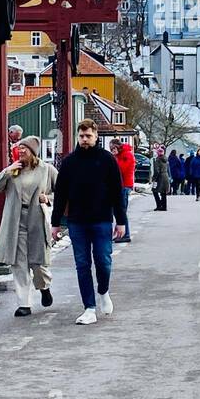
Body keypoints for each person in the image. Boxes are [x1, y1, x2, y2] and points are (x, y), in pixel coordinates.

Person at [51, 119, 127, 325]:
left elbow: (116, 192)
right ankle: (89, 308)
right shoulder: (69, 162)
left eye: (88, 136)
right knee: (82, 264)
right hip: (77, 221)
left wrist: (121, 221)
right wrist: (55, 222)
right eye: (81, 136)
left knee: (103, 261)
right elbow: (60, 194)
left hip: (101, 219)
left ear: (96, 137)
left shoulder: (107, 160)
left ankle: (103, 290)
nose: (85, 140)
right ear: (78, 136)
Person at [0, 136, 56, 317]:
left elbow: (63, 191)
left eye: (25, 148)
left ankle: (44, 287)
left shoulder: (46, 170)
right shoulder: (14, 170)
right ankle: (24, 304)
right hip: (15, 221)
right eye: (19, 148)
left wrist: (48, 199)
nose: (21, 151)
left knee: (37, 263)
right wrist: (7, 171)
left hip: (36, 219)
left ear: (33, 151)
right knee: (19, 264)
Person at [110, 139, 135, 243]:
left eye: (113, 148)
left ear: (118, 147)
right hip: (121, 185)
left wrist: (115, 158)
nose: (112, 150)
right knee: (118, 210)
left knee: (121, 210)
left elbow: (120, 169)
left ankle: (126, 234)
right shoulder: (121, 155)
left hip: (124, 185)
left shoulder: (127, 155)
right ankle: (121, 233)